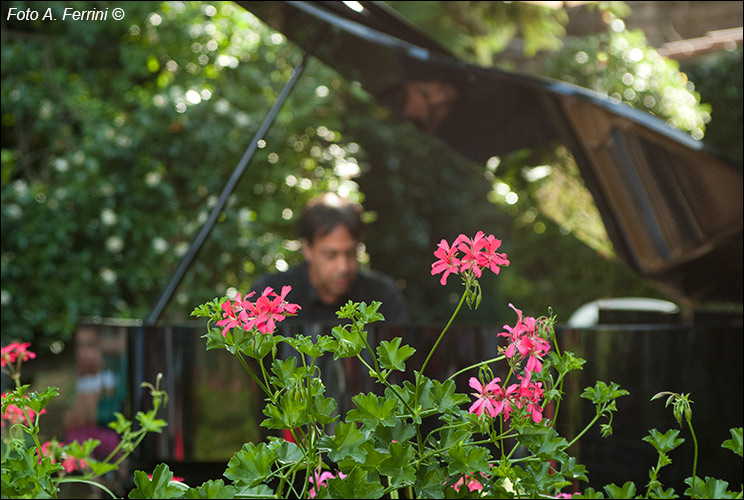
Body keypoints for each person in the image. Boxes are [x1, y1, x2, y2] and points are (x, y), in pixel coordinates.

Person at [251, 192, 410, 327]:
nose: (343, 267)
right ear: (308, 250)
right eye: (331, 255)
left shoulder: (383, 295)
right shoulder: (270, 292)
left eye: (351, 253)